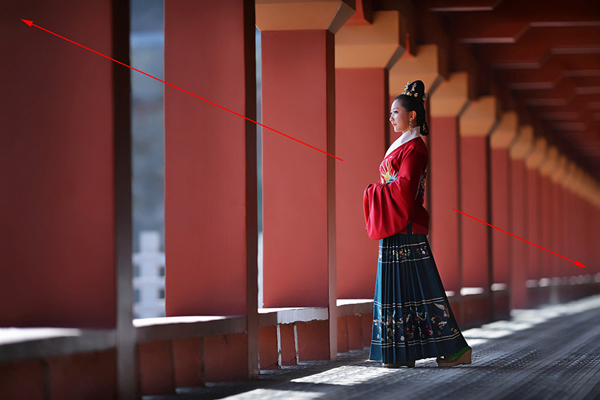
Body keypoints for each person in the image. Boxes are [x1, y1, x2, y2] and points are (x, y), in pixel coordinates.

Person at [363, 80, 471, 368]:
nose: (391, 118)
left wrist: (373, 190)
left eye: (395, 112)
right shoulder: (404, 146)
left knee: (422, 289)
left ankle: (455, 349)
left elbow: (406, 189)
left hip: (405, 223)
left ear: (411, 115)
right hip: (398, 223)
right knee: (404, 290)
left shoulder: (413, 149)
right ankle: (403, 353)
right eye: (390, 113)